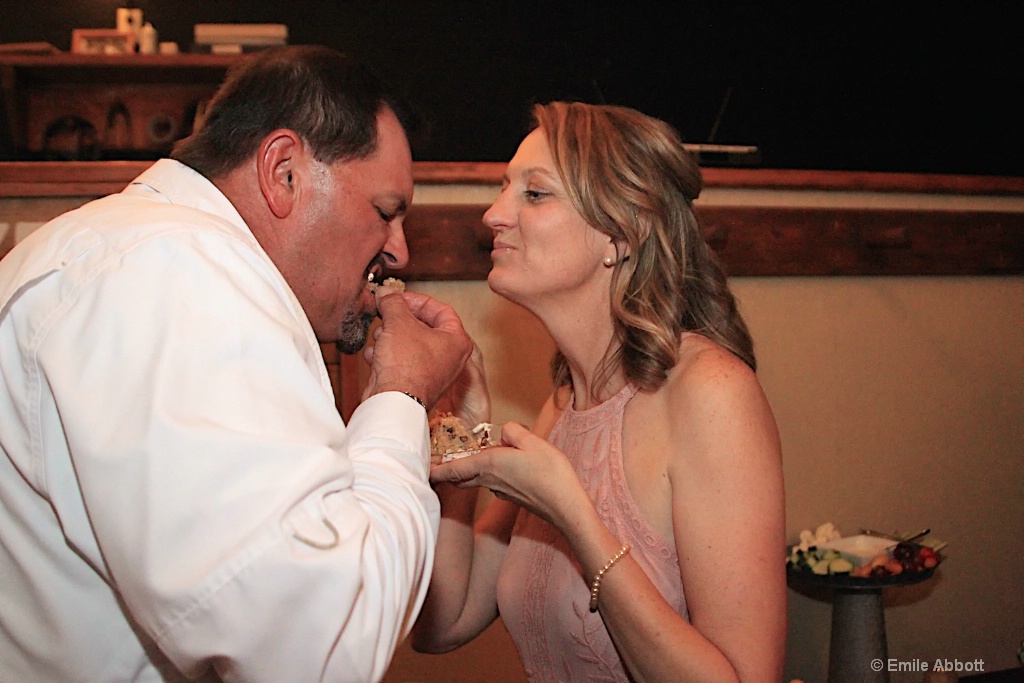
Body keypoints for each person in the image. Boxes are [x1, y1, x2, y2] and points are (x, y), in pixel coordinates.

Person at [0, 46, 472, 683]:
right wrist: (402, 395)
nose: (399, 249)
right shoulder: (178, 278)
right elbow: (320, 647)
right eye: (385, 212)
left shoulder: (131, 252)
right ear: (284, 172)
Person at [416, 101, 787, 681]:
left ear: (622, 232)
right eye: (503, 189)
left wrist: (573, 514)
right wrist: (457, 441)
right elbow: (445, 623)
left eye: (533, 194)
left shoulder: (711, 394)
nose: (493, 214)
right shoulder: (564, 404)